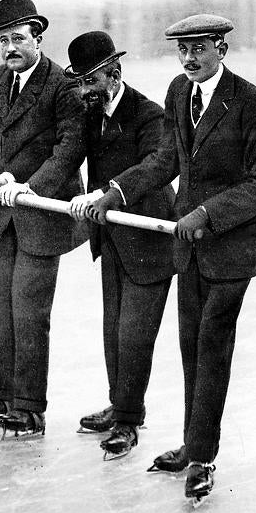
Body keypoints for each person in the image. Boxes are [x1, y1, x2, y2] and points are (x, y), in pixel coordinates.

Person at [92, 14, 256, 500]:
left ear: (222, 48)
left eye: (199, 48)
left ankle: (202, 457)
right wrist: (118, 190)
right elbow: (165, 160)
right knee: (191, 348)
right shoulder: (179, 92)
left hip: (232, 250)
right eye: (183, 50)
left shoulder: (249, 101)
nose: (190, 58)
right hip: (190, 250)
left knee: (212, 349)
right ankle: (193, 443)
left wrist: (206, 213)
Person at [0, 0, 86, 437]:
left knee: (29, 312)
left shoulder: (63, 85)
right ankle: (0, 394)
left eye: (18, 39)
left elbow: (70, 148)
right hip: (1, 214)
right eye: (3, 40)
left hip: (41, 214)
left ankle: (29, 408)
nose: (10, 48)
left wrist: (30, 187)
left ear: (38, 38)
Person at [67, 31, 175, 459]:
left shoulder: (148, 114)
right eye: (78, 82)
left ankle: (130, 420)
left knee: (134, 335)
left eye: (89, 82)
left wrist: (109, 192)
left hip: (148, 241)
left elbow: (157, 166)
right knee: (113, 331)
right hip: (111, 238)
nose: (83, 91)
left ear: (115, 74)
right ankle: (119, 404)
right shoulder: (91, 114)